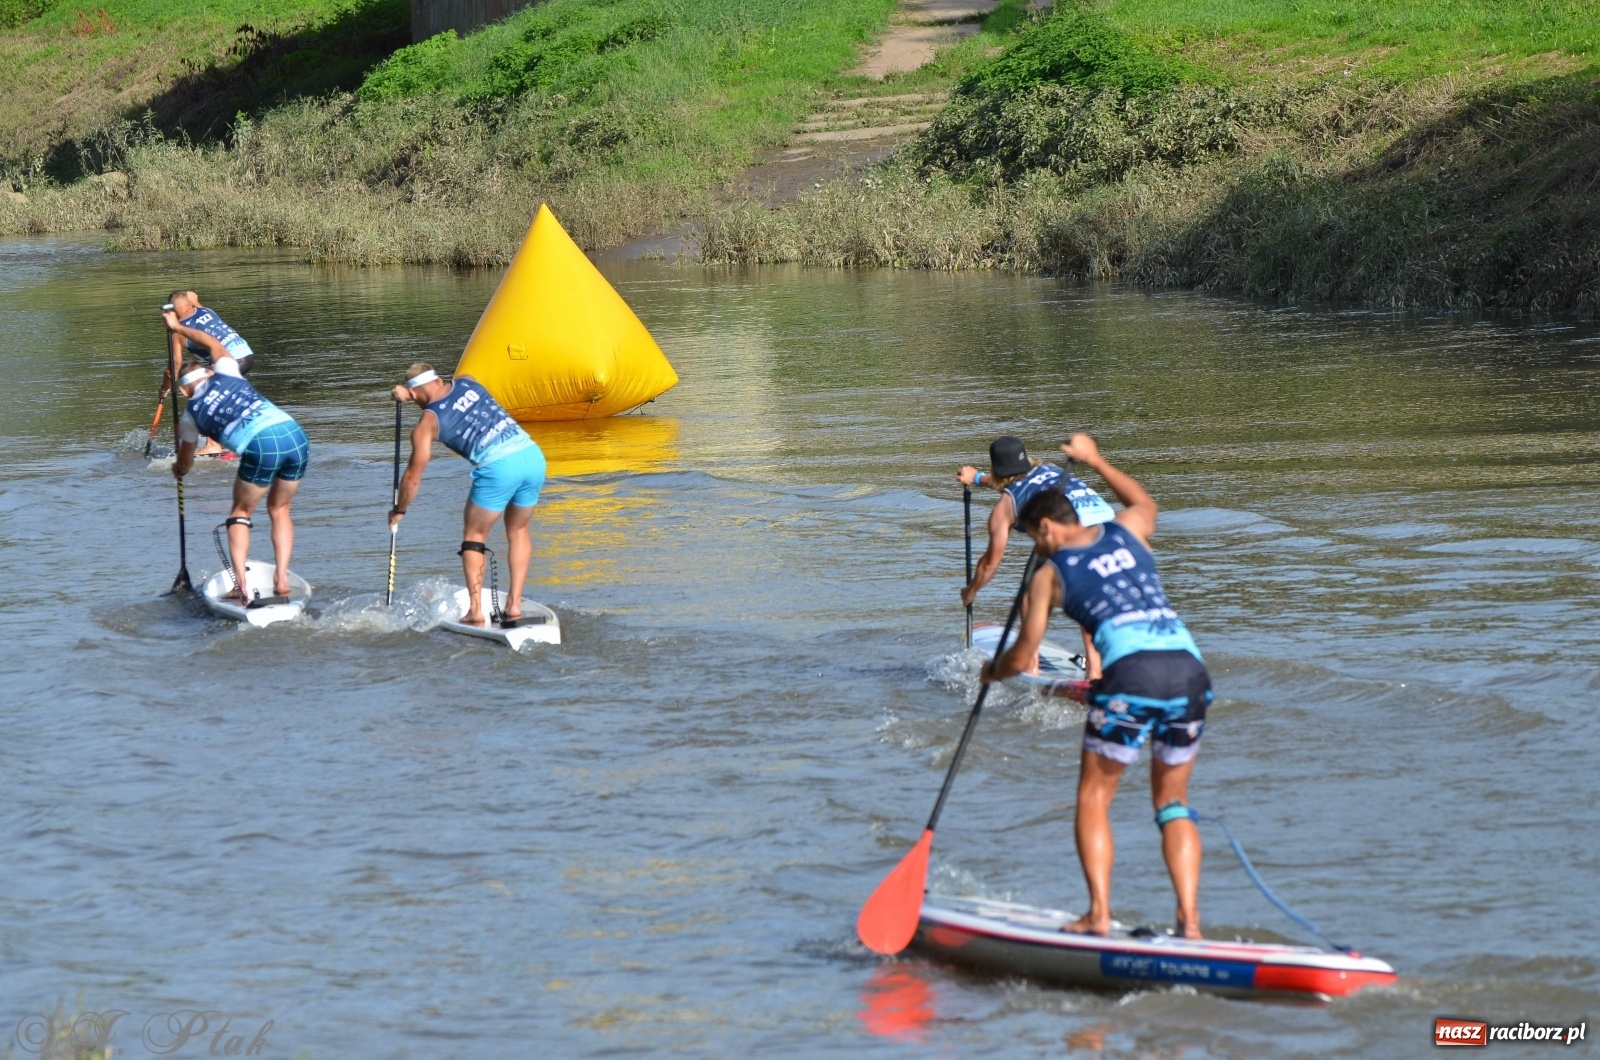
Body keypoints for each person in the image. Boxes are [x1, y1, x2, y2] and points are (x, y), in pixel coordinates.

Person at [985, 434, 1212, 939]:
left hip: (1133, 674)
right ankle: (1190, 924)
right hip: (1191, 670)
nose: (1035, 549)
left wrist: (991, 672)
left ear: (1046, 527)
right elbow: (1144, 502)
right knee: (1172, 803)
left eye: (1033, 538)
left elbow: (1022, 658)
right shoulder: (1127, 530)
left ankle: (1098, 916)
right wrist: (1095, 459)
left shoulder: (1050, 574)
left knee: (1093, 799)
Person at [389, 363, 548, 627]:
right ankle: (515, 605)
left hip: (499, 468)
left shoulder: (426, 424)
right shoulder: (468, 380)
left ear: (414, 395)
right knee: (519, 530)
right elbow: (442, 389)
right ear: (439, 379)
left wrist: (399, 510)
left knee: (474, 537)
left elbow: (412, 477)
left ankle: (475, 611)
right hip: (532, 456)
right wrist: (410, 392)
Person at [957, 435, 1116, 671]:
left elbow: (991, 563)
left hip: (1074, 533)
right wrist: (977, 478)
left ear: (996, 469)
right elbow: (1010, 481)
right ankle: (1095, 669)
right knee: (1090, 596)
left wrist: (972, 590)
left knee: (1029, 596)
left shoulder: (1004, 509)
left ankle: (1031, 666)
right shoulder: (1048, 469)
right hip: (1113, 528)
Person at [170, 345, 309, 601]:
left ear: (182, 390)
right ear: (209, 373)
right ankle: (281, 582)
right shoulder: (227, 370)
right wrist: (178, 325)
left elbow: (186, 463)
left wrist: (178, 469)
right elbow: (213, 343)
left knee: (240, 513)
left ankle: (240, 587)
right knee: (280, 510)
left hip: (262, 445)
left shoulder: (190, 416)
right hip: (295, 435)